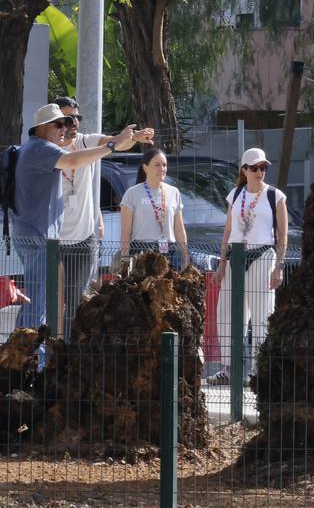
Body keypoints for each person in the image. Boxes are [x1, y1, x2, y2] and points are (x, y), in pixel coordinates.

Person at [13, 105, 134, 334]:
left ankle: (29, 357)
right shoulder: (42, 149)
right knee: (38, 302)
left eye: (68, 123)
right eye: (58, 124)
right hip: (37, 238)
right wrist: (111, 145)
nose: (64, 128)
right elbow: (73, 161)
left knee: (41, 301)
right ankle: (23, 361)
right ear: (40, 129)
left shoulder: (37, 148)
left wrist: (121, 140)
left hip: (38, 238)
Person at [50, 97, 153, 329]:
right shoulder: (48, 149)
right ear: (56, 121)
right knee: (55, 304)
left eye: (77, 117)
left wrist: (133, 138)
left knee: (78, 302)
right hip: (54, 241)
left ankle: (71, 354)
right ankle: (52, 356)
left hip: (84, 240)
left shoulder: (87, 142)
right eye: (68, 118)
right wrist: (118, 142)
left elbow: (115, 143)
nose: (74, 122)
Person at [208, 148, 287, 385]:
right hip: (235, 257)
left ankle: (257, 371)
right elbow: (228, 230)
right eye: (254, 168)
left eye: (263, 168)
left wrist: (279, 266)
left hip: (262, 255)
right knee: (227, 313)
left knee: (262, 314)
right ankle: (228, 368)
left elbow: (282, 234)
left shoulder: (275, 196)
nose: (259, 172)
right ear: (244, 170)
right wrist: (222, 263)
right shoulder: (235, 194)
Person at [116, 147, 189, 271]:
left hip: (167, 252)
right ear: (145, 168)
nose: (162, 169)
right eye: (157, 165)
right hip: (141, 252)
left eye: (164, 165)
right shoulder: (132, 193)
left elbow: (179, 228)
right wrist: (125, 258)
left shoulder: (174, 192)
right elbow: (126, 231)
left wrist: (185, 256)